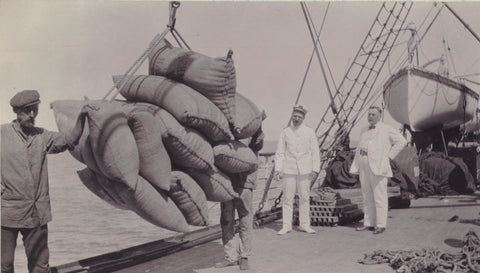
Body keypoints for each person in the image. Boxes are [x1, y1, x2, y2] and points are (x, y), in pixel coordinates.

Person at [1, 90, 96, 273]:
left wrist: (82, 117)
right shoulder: (2, 134)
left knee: (40, 266)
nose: (31, 114)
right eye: (27, 110)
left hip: (37, 213)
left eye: (34, 110)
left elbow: (70, 139)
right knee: (5, 266)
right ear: (16, 111)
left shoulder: (42, 136)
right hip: (8, 214)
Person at [349, 106, 407, 234]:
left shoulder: (386, 129)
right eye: (369, 114)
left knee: (379, 196)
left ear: (380, 116)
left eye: (373, 115)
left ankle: (381, 225)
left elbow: (402, 141)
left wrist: (388, 157)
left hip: (379, 166)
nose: (370, 117)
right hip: (364, 165)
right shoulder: (363, 130)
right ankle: (368, 223)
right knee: (367, 196)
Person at [215, 127, 265, 271]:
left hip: (244, 182)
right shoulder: (224, 127)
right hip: (226, 181)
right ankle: (230, 257)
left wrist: (257, 128)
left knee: (245, 219)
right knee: (226, 220)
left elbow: (258, 145)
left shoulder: (249, 128)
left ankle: (244, 256)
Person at [274, 105, 320, 235]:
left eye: (299, 117)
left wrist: (315, 169)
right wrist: (278, 169)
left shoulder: (309, 132)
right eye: (295, 116)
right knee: (287, 198)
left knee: (304, 197)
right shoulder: (285, 132)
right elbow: (280, 153)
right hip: (289, 169)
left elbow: (315, 152)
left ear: (303, 118)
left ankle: (304, 224)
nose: (296, 119)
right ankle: (286, 225)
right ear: (292, 116)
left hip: (305, 170)